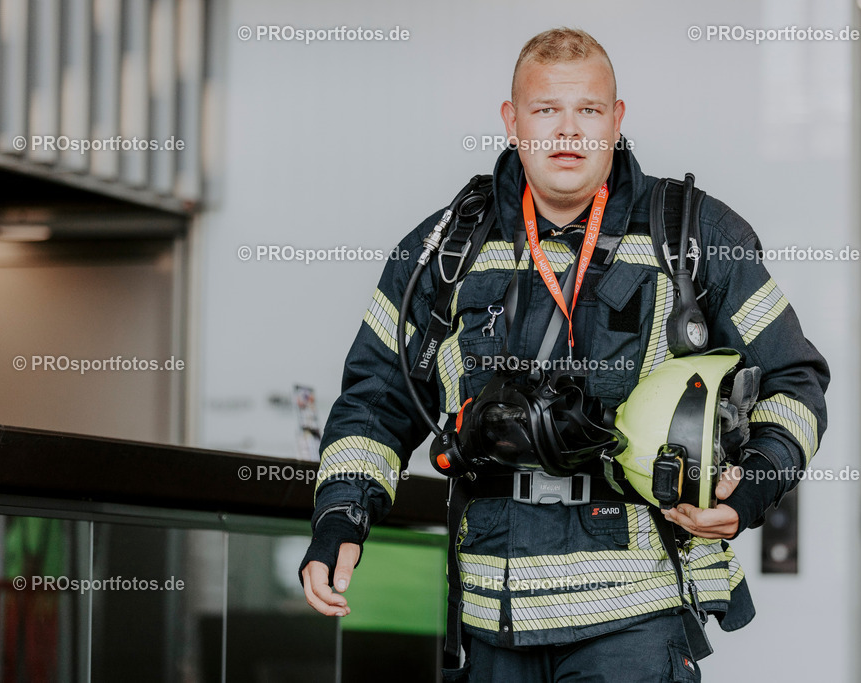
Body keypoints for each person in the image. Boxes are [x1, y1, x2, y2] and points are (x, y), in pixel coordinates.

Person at [301, 27, 829, 683]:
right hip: (491, 617)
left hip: (635, 616)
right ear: (512, 119)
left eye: (589, 110)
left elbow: (795, 380)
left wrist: (749, 488)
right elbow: (375, 401)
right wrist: (340, 518)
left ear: (618, 119)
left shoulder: (694, 236)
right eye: (547, 109)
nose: (568, 133)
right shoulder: (444, 249)